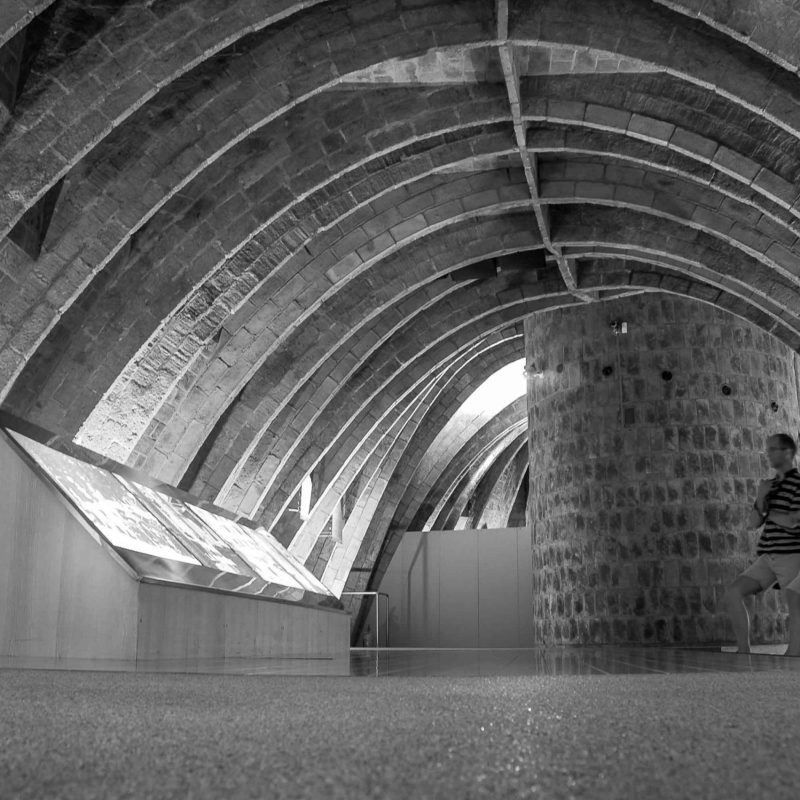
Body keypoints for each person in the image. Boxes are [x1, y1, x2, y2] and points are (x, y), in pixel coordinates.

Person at [723, 433, 800, 655]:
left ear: (788, 452)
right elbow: (753, 523)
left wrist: (769, 511)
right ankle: (743, 650)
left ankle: (794, 654)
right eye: (768, 449)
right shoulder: (769, 486)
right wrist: (760, 498)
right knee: (733, 593)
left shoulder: (797, 484)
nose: (768, 454)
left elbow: (793, 521)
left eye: (773, 449)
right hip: (768, 556)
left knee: (794, 601)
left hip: (791, 554)